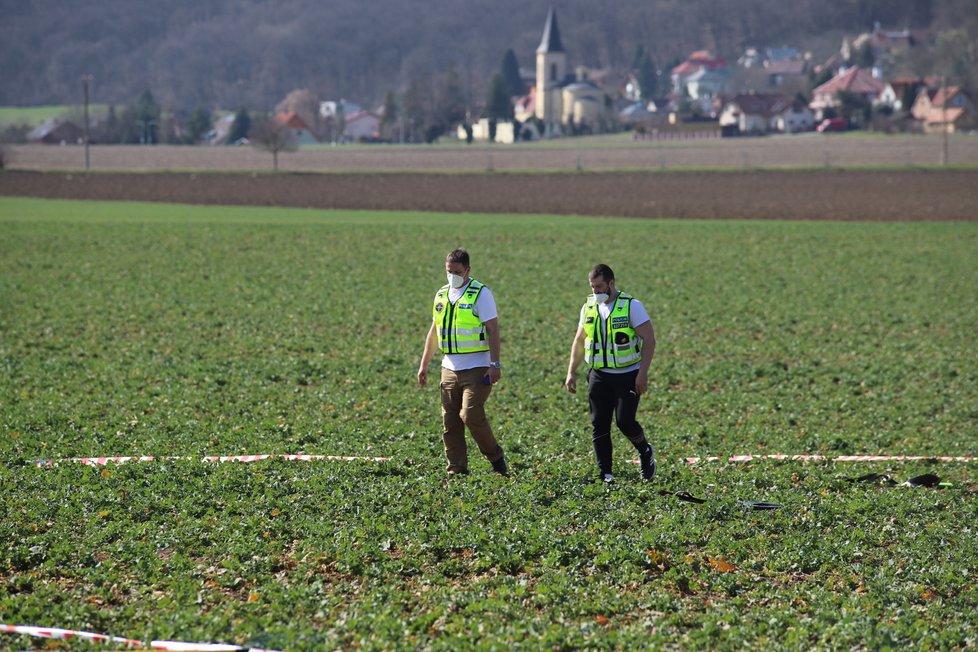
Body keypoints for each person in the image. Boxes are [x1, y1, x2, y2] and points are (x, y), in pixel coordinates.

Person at [418, 248, 508, 476]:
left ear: (468, 270)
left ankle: (496, 458)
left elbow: (493, 329)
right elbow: (434, 332)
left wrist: (495, 364)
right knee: (450, 421)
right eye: (449, 271)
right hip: (449, 367)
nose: (452, 276)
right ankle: (456, 470)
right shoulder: (441, 295)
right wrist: (424, 364)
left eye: (457, 272)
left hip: (478, 366)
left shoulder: (481, 294)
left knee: (470, 415)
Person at [564, 264, 656, 483]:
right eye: (592, 287)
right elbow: (579, 340)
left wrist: (642, 374)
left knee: (625, 421)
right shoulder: (588, 307)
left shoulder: (631, 306)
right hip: (599, 375)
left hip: (628, 375)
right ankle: (606, 473)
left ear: (611, 283)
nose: (595, 291)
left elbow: (649, 340)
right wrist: (571, 372)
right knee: (599, 423)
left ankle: (645, 451)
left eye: (599, 287)